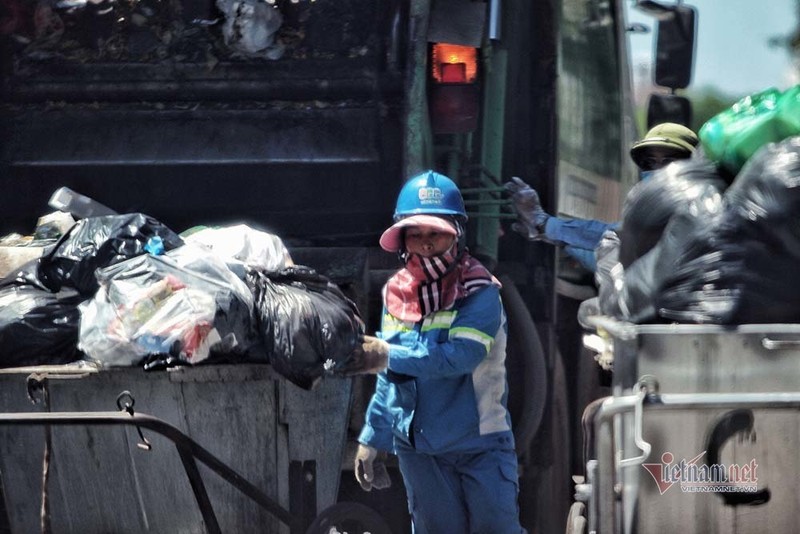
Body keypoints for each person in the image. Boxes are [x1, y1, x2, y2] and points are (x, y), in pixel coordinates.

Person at [336, 170, 525, 534]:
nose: (425, 244)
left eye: (435, 234)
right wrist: (373, 438)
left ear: (456, 234)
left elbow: (459, 357)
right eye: (416, 233)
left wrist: (386, 355)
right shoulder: (396, 292)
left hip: (480, 445)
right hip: (419, 450)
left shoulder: (480, 292)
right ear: (403, 238)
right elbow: (391, 376)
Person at [505, 122, 699, 271]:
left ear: (693, 164)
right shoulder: (647, 210)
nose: (657, 170)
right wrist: (550, 234)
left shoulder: (697, 204)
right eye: (649, 162)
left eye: (668, 161)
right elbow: (608, 254)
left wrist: (544, 223)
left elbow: (615, 236)